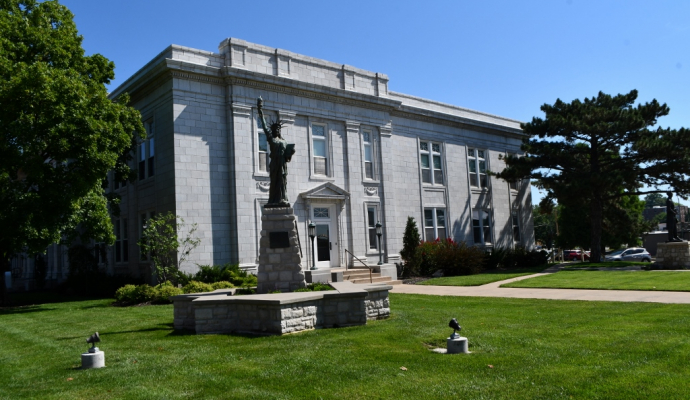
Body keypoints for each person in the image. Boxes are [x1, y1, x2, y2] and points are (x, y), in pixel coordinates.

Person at [257, 97, 295, 208]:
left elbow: (287, 157)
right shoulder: (271, 138)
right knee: (274, 182)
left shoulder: (284, 141)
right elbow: (264, 125)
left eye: (278, 129)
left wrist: (290, 153)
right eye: (275, 129)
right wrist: (260, 109)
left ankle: (282, 199)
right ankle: (273, 200)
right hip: (275, 163)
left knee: (283, 182)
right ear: (273, 130)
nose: (277, 130)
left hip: (282, 163)